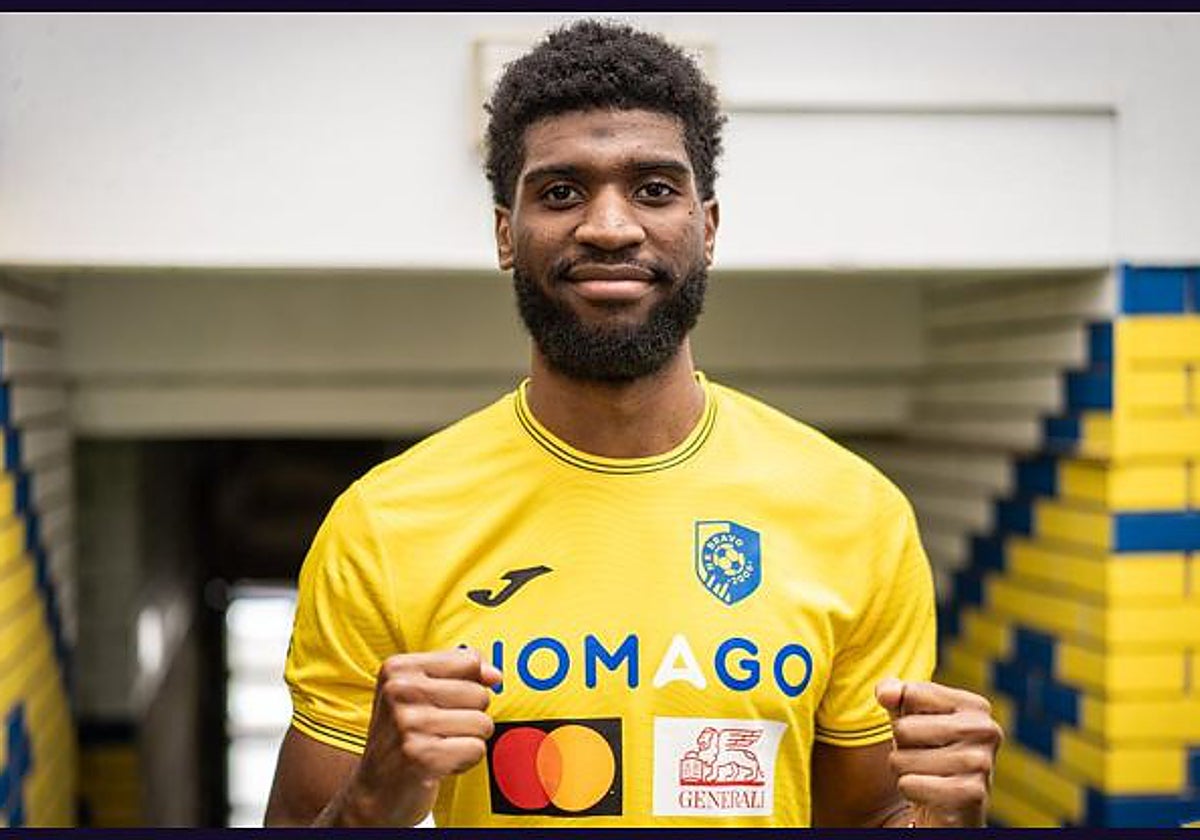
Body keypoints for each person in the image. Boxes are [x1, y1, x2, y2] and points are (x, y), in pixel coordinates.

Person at [264, 19, 1002, 828]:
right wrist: (372, 799)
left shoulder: (855, 513)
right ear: (506, 233)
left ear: (707, 227)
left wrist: (949, 821)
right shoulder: (383, 525)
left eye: (653, 189)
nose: (610, 227)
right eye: (560, 192)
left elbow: (867, 818)